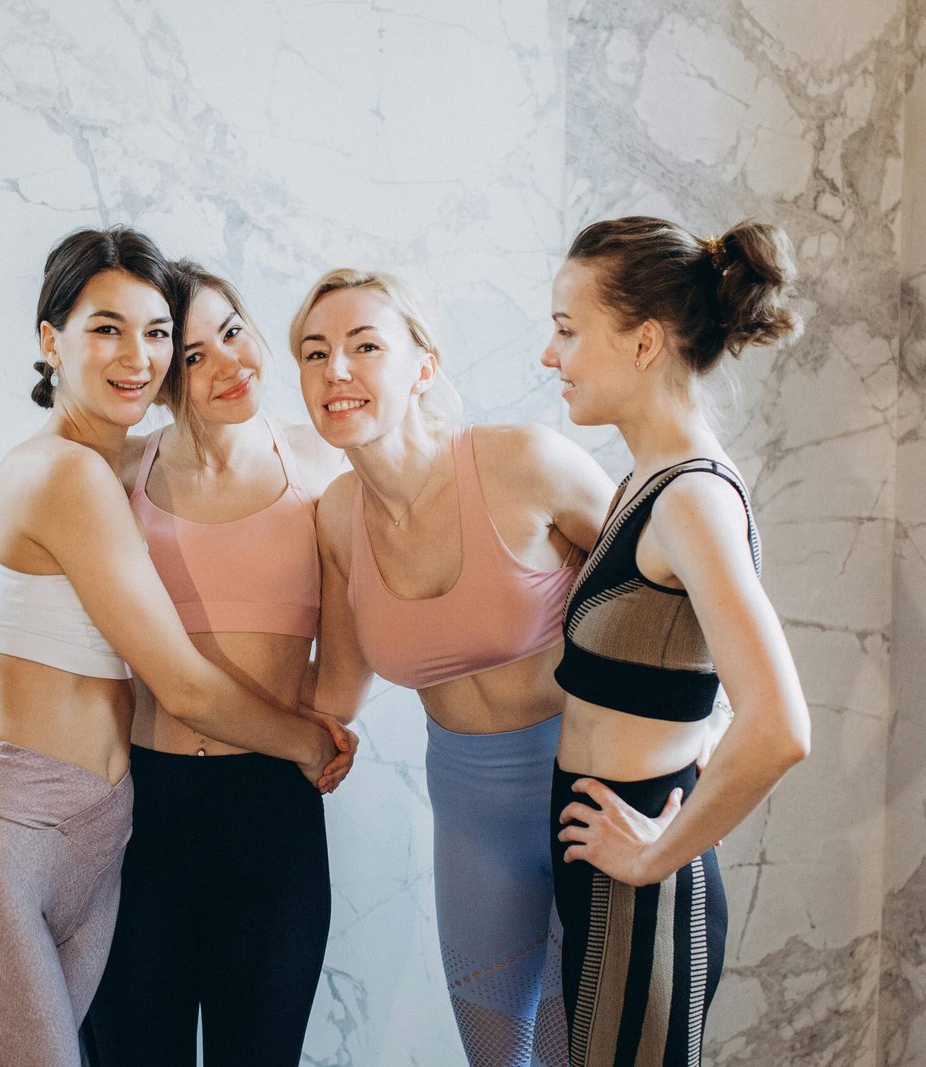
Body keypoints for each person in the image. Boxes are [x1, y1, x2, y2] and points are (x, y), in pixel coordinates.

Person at [0, 228, 351, 1067]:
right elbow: (179, 682)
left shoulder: (300, 462)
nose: (140, 355)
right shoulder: (96, 472)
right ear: (52, 341)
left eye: (158, 334)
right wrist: (309, 741)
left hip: (127, 829)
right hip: (78, 819)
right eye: (110, 329)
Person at [294, 268, 616, 1067]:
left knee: (577, 1055)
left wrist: (703, 733)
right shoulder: (337, 516)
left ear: (423, 366)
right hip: (472, 822)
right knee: (497, 1060)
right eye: (315, 352)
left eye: (365, 346)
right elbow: (335, 690)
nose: (336, 369)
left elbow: (675, 586)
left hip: (594, 794)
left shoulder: (525, 463)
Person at [541, 216, 812, 1066]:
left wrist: (663, 846)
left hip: (640, 885)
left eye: (567, 330)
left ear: (644, 341)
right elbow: (698, 668)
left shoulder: (691, 498)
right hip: (608, 864)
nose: (550, 356)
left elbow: (781, 725)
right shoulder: (647, 482)